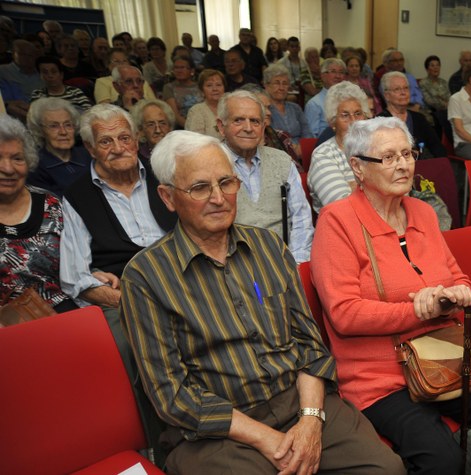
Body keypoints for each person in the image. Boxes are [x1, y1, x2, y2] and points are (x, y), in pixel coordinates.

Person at [119, 129, 405, 475]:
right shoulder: (147, 276)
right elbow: (171, 393)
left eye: (227, 182)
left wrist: (311, 421)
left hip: (299, 401)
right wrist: (265, 438)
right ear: (167, 197)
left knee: (385, 469)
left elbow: (309, 345)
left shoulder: (268, 247)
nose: (218, 198)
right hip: (218, 429)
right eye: (199, 188)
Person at [311, 116, 471, 475]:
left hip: (442, 356)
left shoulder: (423, 212)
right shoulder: (337, 222)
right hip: (379, 378)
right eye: (387, 157)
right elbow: (344, 313)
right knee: (442, 460)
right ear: (357, 167)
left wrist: (458, 292)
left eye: (407, 153)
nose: (402, 164)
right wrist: (420, 311)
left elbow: (456, 274)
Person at [60, 104, 176, 309]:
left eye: (124, 138)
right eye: (105, 141)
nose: (118, 149)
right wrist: (131, 304)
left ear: (136, 140)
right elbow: (75, 277)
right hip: (125, 296)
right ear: (90, 148)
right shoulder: (77, 196)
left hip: (182, 279)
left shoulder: (164, 175)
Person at [216, 90, 314, 262]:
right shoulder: (208, 164)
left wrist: (296, 264)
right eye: (238, 120)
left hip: (281, 261)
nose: (248, 128)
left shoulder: (282, 161)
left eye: (255, 121)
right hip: (231, 266)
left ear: (263, 126)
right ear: (221, 127)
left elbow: (301, 219)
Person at [0, 114, 78, 313]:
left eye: (17, 158)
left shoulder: (51, 204)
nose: (8, 169)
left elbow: (79, 262)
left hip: (65, 314)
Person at [307, 81, 369, 212]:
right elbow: (342, 208)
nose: (353, 121)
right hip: (342, 229)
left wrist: (356, 186)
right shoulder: (323, 155)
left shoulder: (375, 148)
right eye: (345, 115)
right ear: (332, 122)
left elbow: (400, 192)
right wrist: (378, 186)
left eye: (358, 113)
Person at [26, 98, 91, 196]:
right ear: (40, 130)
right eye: (54, 126)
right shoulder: (35, 167)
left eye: (68, 125)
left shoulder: (88, 154)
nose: (63, 132)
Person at [378, 71, 446, 158]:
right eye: (397, 89)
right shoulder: (379, 122)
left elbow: (437, 147)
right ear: (387, 95)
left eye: (406, 88)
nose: (403, 92)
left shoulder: (419, 119)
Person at [263, 64, 312, 144]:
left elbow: (307, 134)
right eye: (276, 83)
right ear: (266, 86)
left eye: (285, 83)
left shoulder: (295, 108)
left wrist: (301, 148)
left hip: (301, 152)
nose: (281, 88)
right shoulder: (265, 110)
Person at [305, 58, 346, 137]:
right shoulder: (314, 104)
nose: (338, 76)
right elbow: (311, 136)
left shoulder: (348, 100)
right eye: (333, 72)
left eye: (341, 72)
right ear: (323, 75)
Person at [163, 56, 203, 128]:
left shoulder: (200, 86)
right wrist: (192, 129)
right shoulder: (169, 87)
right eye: (176, 68)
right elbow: (175, 115)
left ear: (192, 71)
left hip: (203, 123)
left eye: (182, 67)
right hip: (182, 127)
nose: (179, 70)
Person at [185, 68, 225, 138]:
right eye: (209, 85)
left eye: (218, 85)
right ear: (202, 90)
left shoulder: (230, 107)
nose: (215, 89)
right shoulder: (196, 111)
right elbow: (195, 141)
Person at [418, 55, 451, 138]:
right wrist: (444, 104)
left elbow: (449, 98)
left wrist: (446, 103)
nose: (436, 68)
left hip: (444, 111)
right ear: (427, 69)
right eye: (432, 65)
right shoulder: (423, 83)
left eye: (437, 65)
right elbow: (430, 101)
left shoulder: (443, 82)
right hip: (430, 113)